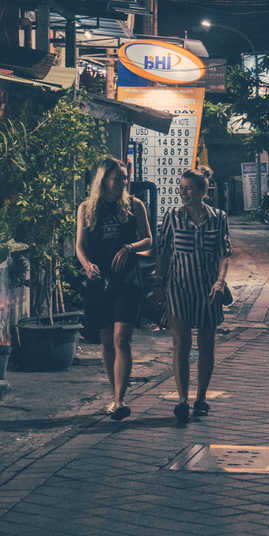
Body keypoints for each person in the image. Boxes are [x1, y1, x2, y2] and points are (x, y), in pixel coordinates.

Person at [76, 158, 152, 421]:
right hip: (100, 280)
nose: (123, 181)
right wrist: (87, 265)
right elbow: (79, 245)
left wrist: (129, 248)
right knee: (106, 340)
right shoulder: (87, 208)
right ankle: (114, 394)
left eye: (124, 176)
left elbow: (148, 238)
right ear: (103, 180)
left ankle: (120, 400)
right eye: (118, 177)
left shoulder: (135, 205)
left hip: (127, 280)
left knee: (122, 337)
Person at [158, 169, 231, 423]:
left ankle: (201, 398)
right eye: (182, 188)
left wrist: (220, 281)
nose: (184, 192)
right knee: (181, 343)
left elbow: (224, 252)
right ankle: (181, 399)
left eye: (189, 188)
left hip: (208, 288)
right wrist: (159, 285)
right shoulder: (173, 217)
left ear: (203, 191)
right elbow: (164, 251)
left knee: (207, 344)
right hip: (178, 286)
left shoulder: (218, 218)